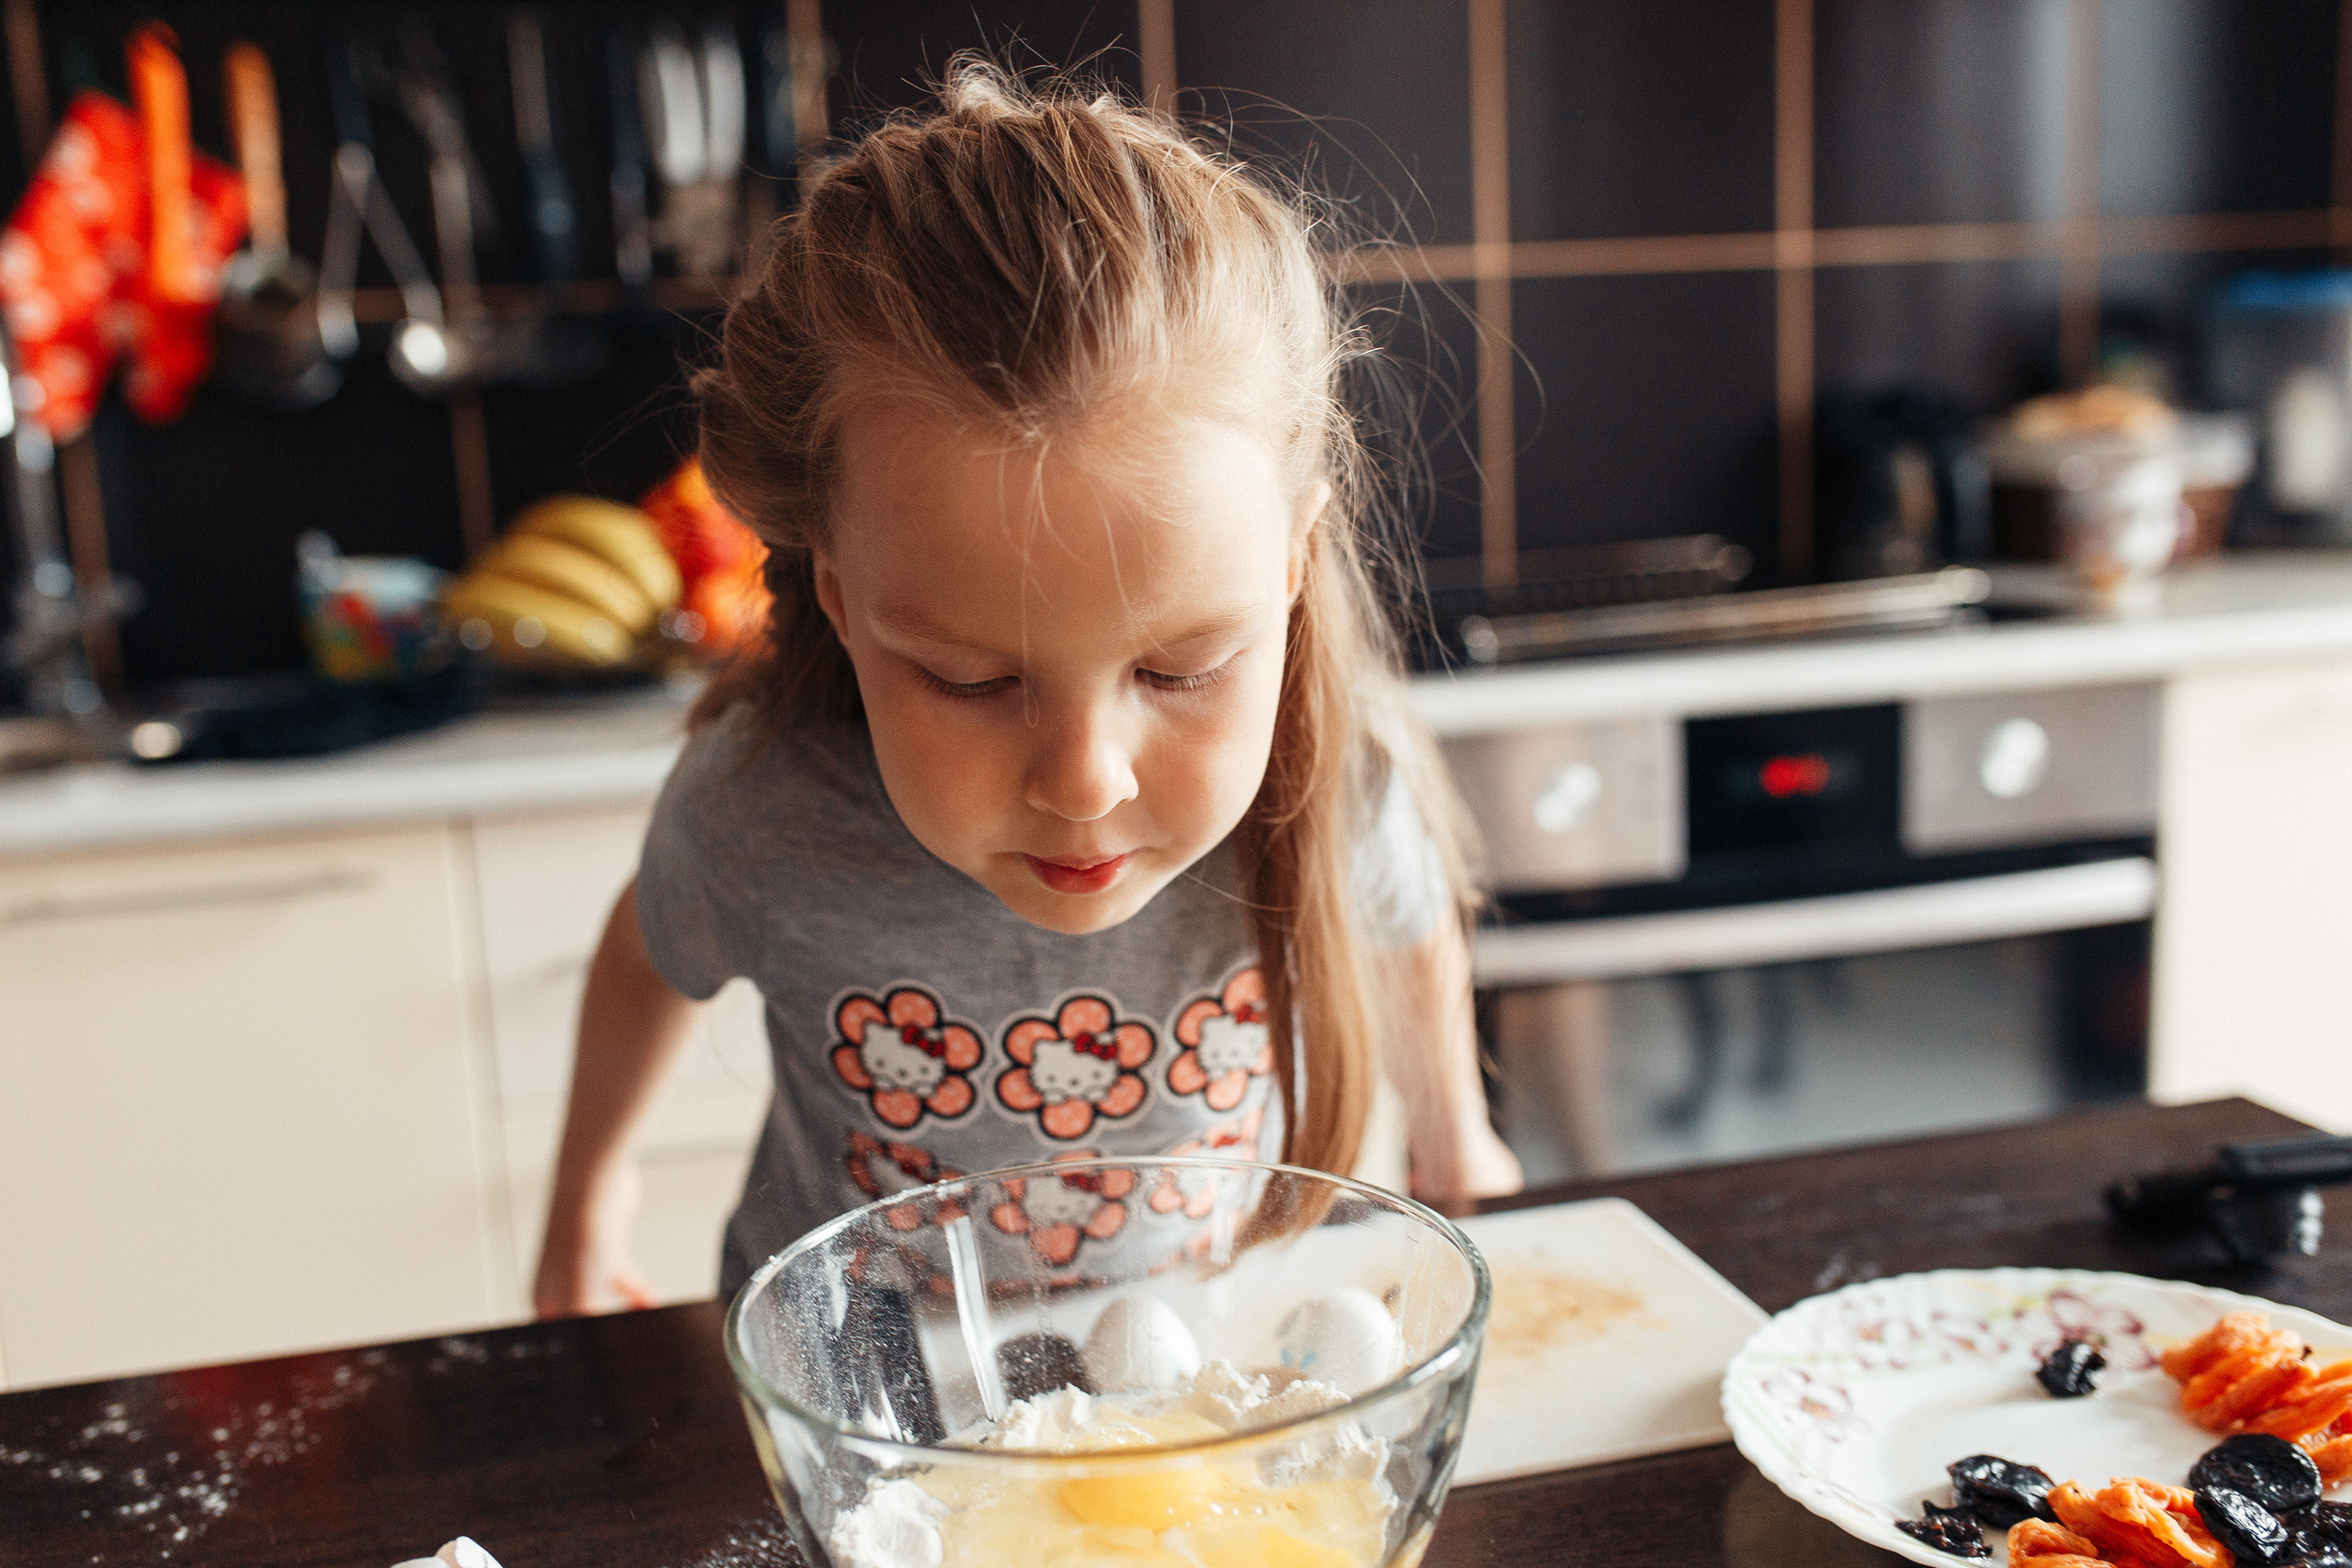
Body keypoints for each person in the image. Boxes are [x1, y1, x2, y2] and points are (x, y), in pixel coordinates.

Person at [533, 60, 1521, 1317]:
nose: (1084, 780)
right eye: (968, 678)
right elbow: (647, 951)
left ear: (1289, 567)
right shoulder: (763, 809)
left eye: (1179, 667)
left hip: (1195, 1365)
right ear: (837, 596)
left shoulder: (1338, 770)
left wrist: (1456, 1131)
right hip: (859, 1390)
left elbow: (1404, 916)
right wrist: (588, 1201)